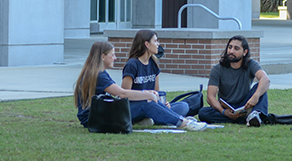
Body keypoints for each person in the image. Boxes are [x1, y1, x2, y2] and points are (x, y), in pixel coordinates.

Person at [74, 41, 207, 130]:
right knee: (146, 103)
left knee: (171, 104)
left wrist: (149, 94)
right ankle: (183, 123)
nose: (115, 58)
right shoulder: (99, 75)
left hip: (100, 116)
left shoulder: (97, 73)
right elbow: (122, 93)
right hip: (96, 119)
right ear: (103, 57)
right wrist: (146, 94)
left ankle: (175, 119)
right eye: (112, 55)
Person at [198, 35, 270, 127]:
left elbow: (265, 80)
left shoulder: (251, 64)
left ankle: (251, 115)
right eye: (230, 47)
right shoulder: (217, 69)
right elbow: (210, 97)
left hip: (245, 105)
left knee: (260, 87)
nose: (231, 51)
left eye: (236, 48)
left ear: (245, 52)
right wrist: (223, 112)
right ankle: (247, 118)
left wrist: (255, 96)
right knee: (203, 113)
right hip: (226, 108)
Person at [121, 29, 190, 118]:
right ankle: (169, 118)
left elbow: (157, 92)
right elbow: (124, 94)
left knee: (183, 106)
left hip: (153, 104)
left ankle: (159, 116)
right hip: (137, 106)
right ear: (147, 44)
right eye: (155, 41)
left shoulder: (153, 63)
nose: (158, 44)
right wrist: (145, 96)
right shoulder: (132, 64)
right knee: (150, 107)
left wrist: (163, 103)